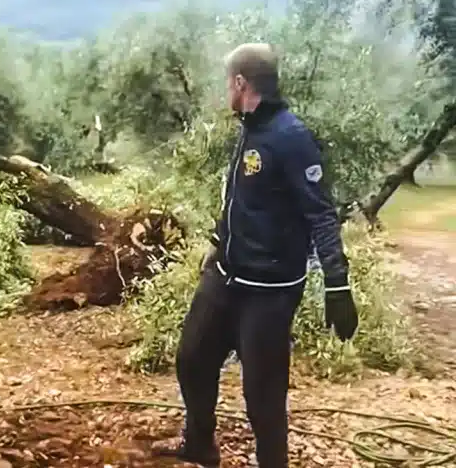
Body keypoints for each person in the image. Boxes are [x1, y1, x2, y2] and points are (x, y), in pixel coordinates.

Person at [152, 43, 359, 468]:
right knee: (192, 360)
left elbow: (321, 214)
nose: (226, 90)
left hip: (269, 291)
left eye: (228, 83)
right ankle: (200, 444)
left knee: (263, 396)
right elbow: (243, 200)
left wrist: (337, 284)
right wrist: (218, 243)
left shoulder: (291, 137)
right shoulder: (250, 128)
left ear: (241, 83)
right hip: (226, 275)